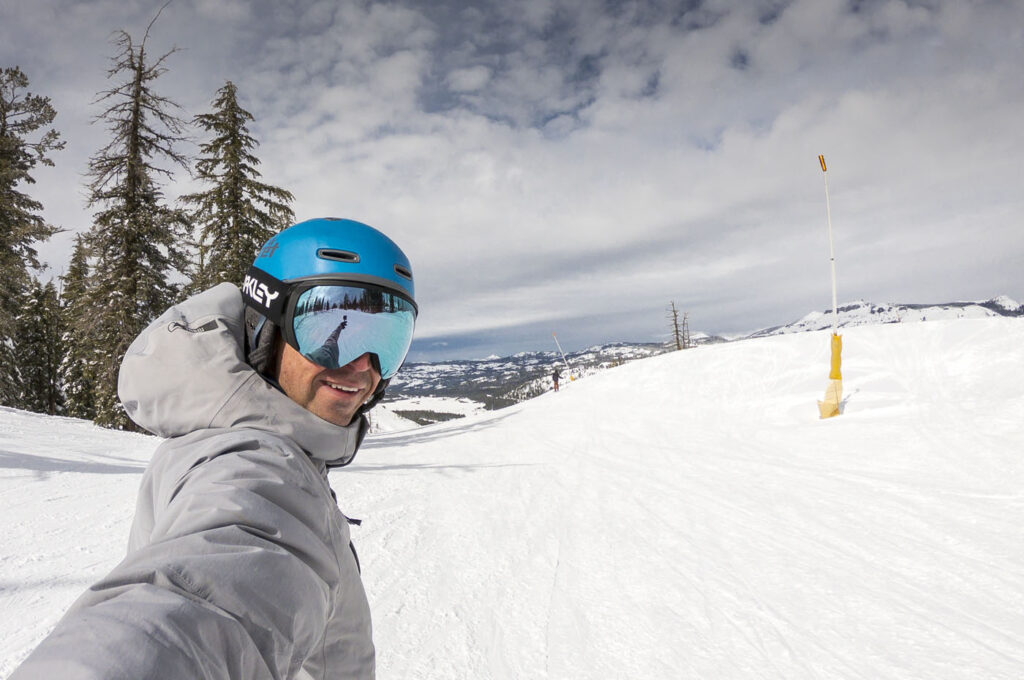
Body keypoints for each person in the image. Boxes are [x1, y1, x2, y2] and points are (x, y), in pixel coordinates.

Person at [10, 217, 418, 680]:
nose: (362, 367)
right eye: (327, 328)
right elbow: (207, 599)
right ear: (266, 327)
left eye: (387, 341)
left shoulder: (266, 439)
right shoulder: (256, 463)